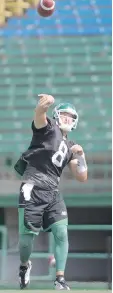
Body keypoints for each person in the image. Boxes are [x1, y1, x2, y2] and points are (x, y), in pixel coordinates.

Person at [15, 94, 88, 290]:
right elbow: (39, 114)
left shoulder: (72, 146)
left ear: (75, 122)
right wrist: (45, 104)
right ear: (56, 116)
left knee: (61, 232)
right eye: (63, 114)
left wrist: (81, 157)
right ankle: (24, 266)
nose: (67, 118)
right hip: (32, 187)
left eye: (70, 117)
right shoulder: (47, 128)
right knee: (25, 241)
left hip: (53, 191)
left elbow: (81, 176)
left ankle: (60, 279)